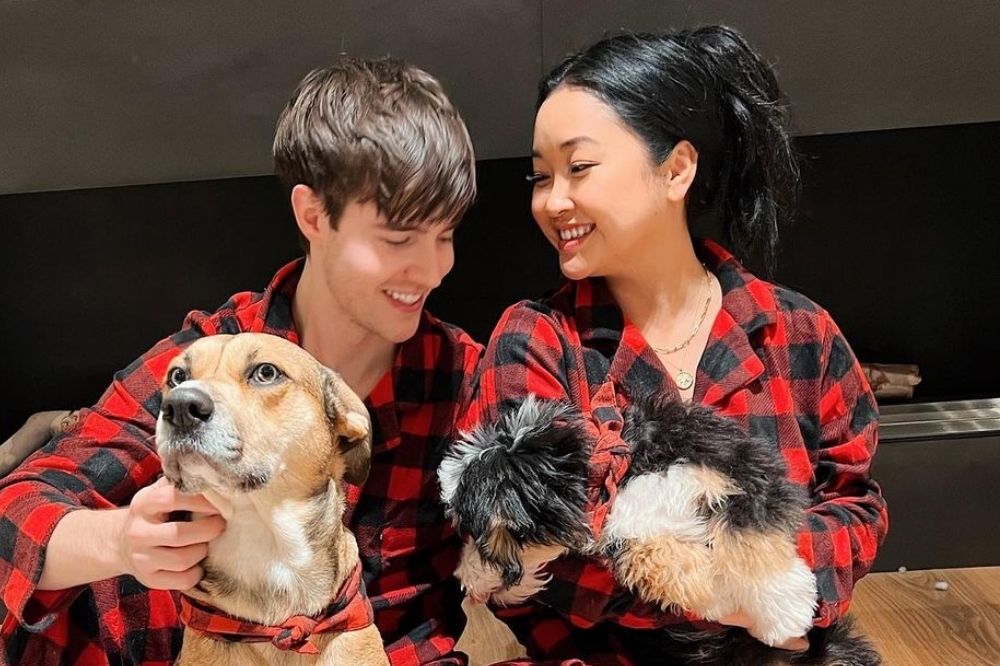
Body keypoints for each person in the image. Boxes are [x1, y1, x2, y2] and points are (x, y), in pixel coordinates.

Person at [0, 58, 482, 665]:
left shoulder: (462, 377)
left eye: (446, 235)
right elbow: (16, 512)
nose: (434, 269)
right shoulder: (205, 360)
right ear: (314, 217)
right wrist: (122, 539)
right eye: (398, 238)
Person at [461, 25, 888, 664]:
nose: (554, 200)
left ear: (677, 168)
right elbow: (520, 542)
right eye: (540, 176)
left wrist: (786, 586)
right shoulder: (536, 340)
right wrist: (738, 591)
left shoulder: (797, 333)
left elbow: (853, 503)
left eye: (578, 168)